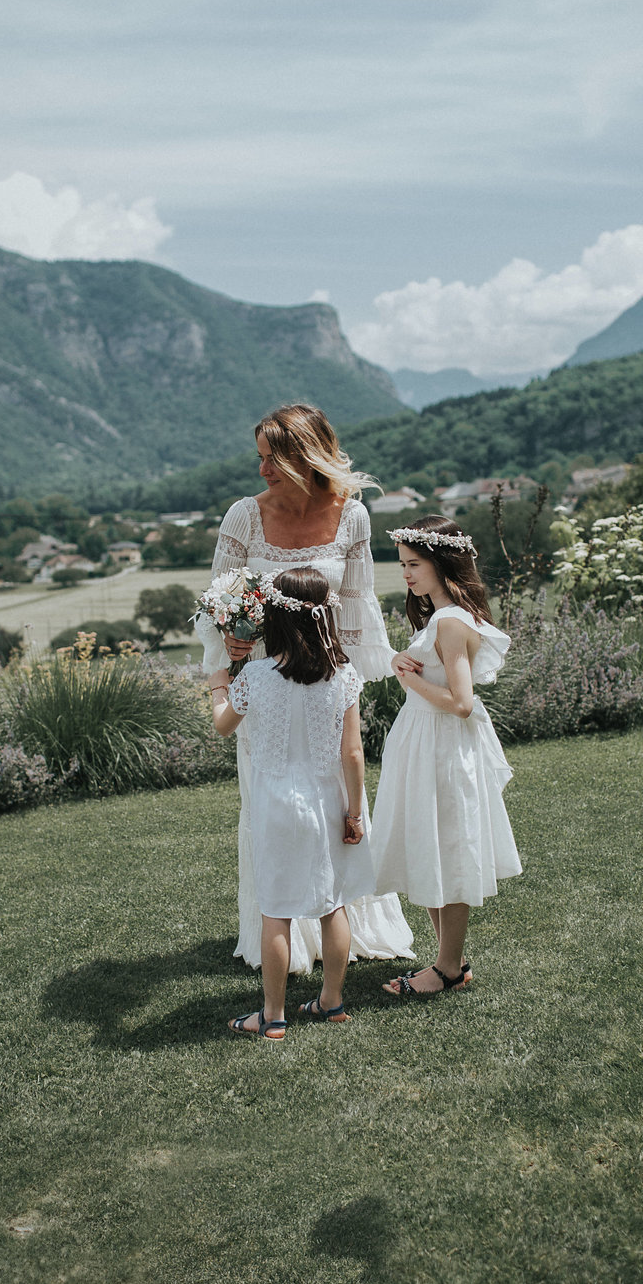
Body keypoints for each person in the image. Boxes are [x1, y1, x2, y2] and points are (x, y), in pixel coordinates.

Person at [195, 402, 415, 973]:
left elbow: (359, 605)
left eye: (271, 459)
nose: (262, 470)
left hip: (330, 675)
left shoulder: (354, 516)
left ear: (303, 457)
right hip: (264, 681)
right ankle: (280, 933)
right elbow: (220, 601)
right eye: (261, 459)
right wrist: (233, 644)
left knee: (341, 793)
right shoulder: (244, 516)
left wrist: (345, 677)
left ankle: (353, 923)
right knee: (272, 801)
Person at [208, 567, 375, 1039]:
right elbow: (353, 752)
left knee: (275, 911)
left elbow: (223, 725)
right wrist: (355, 812)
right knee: (333, 904)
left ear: (275, 618)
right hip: (328, 800)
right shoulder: (342, 675)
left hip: (275, 806)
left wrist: (219, 684)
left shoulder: (257, 676)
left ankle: (274, 1015)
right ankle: (331, 1001)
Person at [370, 515, 522, 997]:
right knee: (430, 846)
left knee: (449, 848)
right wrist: (400, 661)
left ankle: (448, 968)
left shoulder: (451, 621)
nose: (407, 575)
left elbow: (461, 702)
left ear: (442, 562)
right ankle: (443, 963)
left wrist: (407, 679)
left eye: (414, 564)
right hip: (424, 741)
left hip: (441, 744)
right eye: (403, 565)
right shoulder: (441, 617)